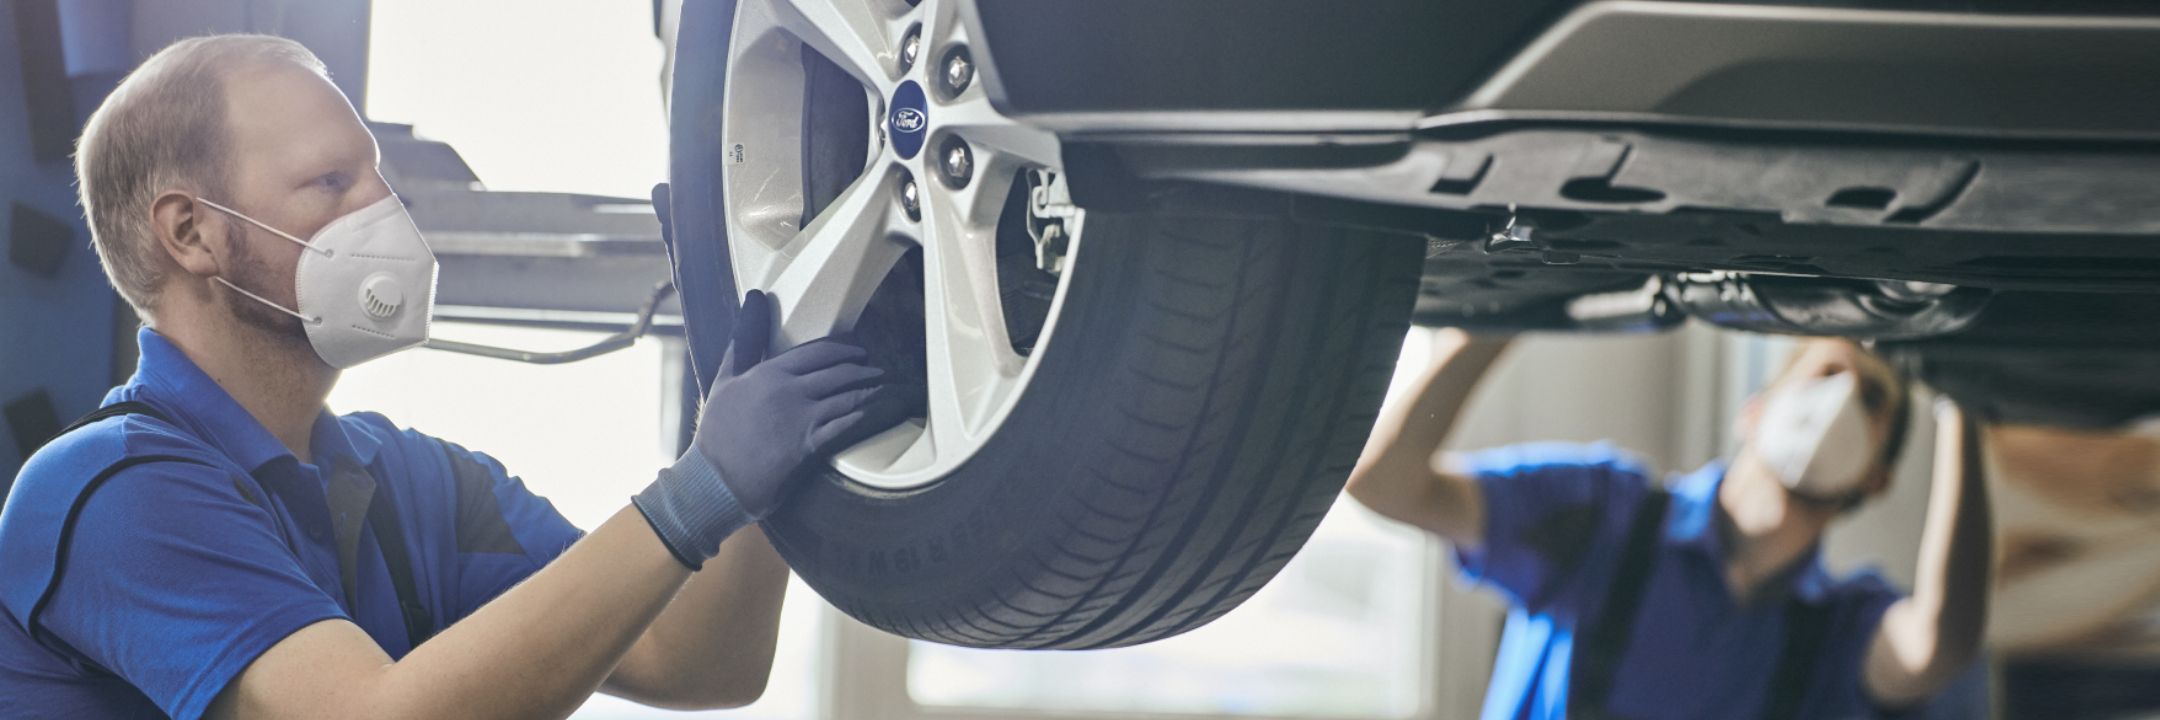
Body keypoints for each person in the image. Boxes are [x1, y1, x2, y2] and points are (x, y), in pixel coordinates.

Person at [0, 34, 904, 719]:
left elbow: (700, 664)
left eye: (376, 178)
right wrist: (700, 491)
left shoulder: (415, 481)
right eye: (328, 182)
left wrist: (752, 450)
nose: (384, 211)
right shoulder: (103, 493)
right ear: (191, 233)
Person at [1347, 332, 1992, 719]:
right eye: (1825, 375)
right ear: (1756, 412)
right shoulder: (1605, 514)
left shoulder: (1835, 629)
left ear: (1876, 477)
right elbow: (1387, 484)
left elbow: (1939, 645)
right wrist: (1502, 320)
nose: (1840, 402)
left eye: (1872, 397)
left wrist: (1965, 401)